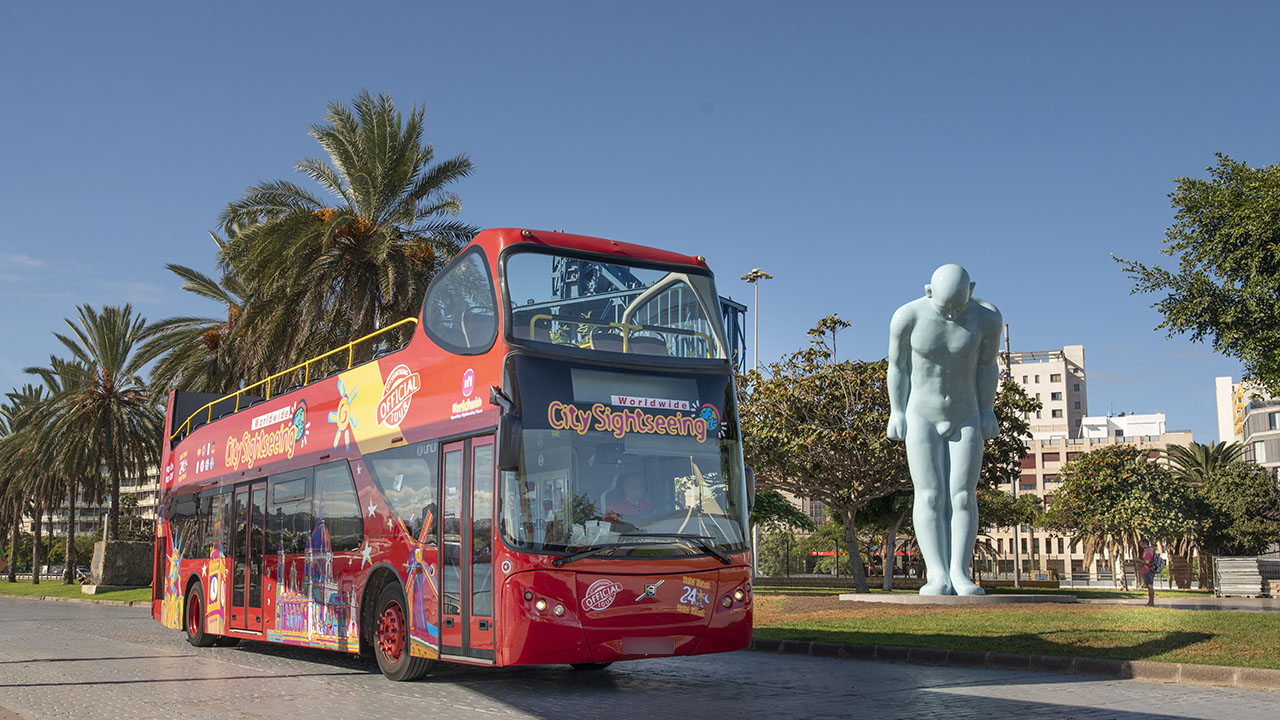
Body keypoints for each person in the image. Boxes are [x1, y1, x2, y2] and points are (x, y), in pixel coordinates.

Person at [887, 264, 1003, 596]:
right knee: (930, 494)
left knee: (963, 495)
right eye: (945, 306)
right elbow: (898, 368)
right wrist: (896, 411)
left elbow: (987, 366)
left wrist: (986, 410)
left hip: (965, 412)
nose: (952, 314)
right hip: (921, 413)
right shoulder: (907, 317)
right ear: (928, 292)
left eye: (958, 305)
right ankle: (936, 573)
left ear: (972, 290)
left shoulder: (987, 318)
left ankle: (960, 572)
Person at [1140, 540, 1156, 607]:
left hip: (1147, 570)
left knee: (1150, 586)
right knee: (1150, 586)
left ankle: (1151, 603)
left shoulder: (1147, 552)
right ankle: (1150, 602)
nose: (1141, 546)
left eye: (1141, 544)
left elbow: (1147, 562)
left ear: (1144, 544)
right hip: (1150, 570)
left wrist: (1139, 561)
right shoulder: (1151, 550)